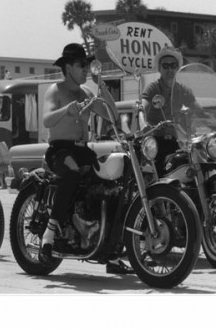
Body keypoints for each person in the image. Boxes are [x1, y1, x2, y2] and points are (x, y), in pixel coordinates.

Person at [39, 43, 128, 274]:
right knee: (73, 172)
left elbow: (112, 115)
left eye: (87, 65)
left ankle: (113, 251)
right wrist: (65, 110)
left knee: (114, 184)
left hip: (83, 149)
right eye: (81, 65)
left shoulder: (86, 93)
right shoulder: (55, 91)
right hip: (59, 149)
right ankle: (48, 234)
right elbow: (47, 120)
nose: (86, 69)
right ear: (68, 67)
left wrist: (101, 85)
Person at [138, 47, 196, 176]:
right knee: (158, 175)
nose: (170, 69)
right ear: (159, 68)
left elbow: (197, 109)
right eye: (165, 66)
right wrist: (143, 124)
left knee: (192, 164)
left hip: (176, 140)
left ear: (177, 68)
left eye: (173, 65)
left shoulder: (182, 90)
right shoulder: (153, 88)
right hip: (156, 141)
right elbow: (141, 108)